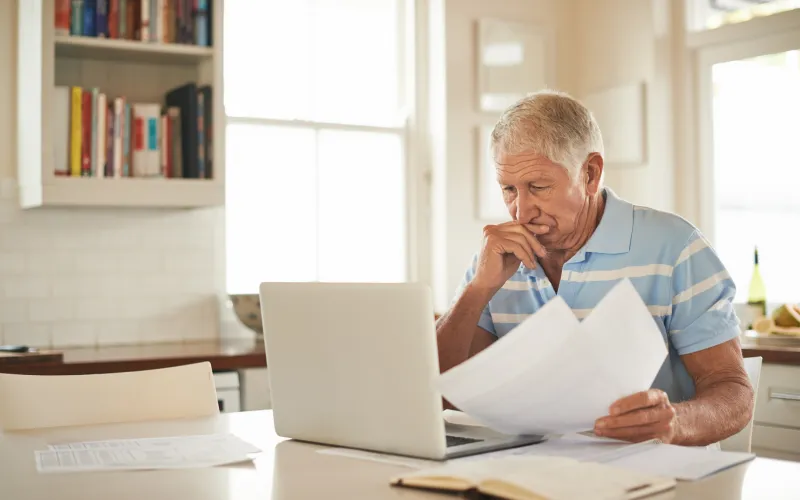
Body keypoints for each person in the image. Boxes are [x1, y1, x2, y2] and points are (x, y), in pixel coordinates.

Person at [436, 90, 754, 446]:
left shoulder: (676, 247)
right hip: (528, 476)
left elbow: (734, 393)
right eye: (509, 189)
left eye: (538, 187)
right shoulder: (495, 258)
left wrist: (675, 423)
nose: (520, 211)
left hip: (652, 475)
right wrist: (477, 290)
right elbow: (441, 396)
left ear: (590, 174)